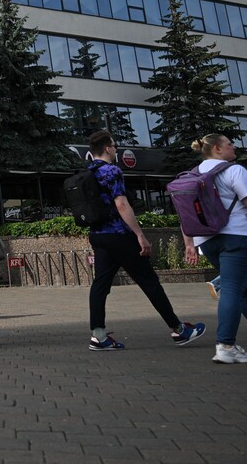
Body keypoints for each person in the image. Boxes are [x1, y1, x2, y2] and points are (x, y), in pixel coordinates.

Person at [85, 131, 205, 351]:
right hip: (119, 234)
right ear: (107, 148)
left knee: (100, 285)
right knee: (148, 280)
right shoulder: (112, 171)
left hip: (98, 235)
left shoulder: (88, 173)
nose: (116, 149)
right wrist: (139, 234)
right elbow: (121, 205)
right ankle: (179, 329)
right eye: (114, 145)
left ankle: (99, 336)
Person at [183, 134, 247, 364]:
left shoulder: (193, 175)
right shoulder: (234, 170)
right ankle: (225, 345)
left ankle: (227, 344)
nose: (233, 147)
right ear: (217, 148)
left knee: (244, 290)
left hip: (207, 241)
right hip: (236, 237)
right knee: (234, 290)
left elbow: (185, 212)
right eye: (229, 144)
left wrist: (189, 244)